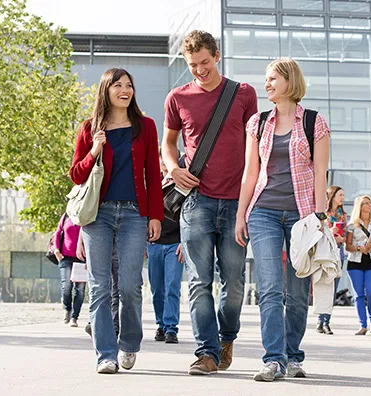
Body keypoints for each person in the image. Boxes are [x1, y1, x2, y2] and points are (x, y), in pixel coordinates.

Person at [162, 30, 258, 375]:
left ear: (216, 55)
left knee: (233, 284)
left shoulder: (243, 94)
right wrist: (174, 169)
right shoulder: (178, 97)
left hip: (236, 202)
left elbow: (254, 148)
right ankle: (206, 352)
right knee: (199, 281)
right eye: (192, 66)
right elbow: (168, 143)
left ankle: (226, 336)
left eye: (204, 62)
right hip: (197, 202)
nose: (199, 70)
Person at [235, 58, 330, 382]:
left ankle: (293, 356)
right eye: (266, 79)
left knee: (298, 290)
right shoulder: (257, 123)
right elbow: (250, 173)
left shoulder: (314, 122)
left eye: (273, 78)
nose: (267, 84)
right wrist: (240, 214)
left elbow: (320, 173)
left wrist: (319, 217)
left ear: (290, 81)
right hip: (263, 212)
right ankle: (273, 358)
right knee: (271, 286)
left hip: (302, 216)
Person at [70, 68, 163, 374]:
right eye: (118, 85)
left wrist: (155, 216)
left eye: (129, 85)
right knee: (99, 287)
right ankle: (105, 354)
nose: (125, 90)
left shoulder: (146, 127)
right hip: (99, 216)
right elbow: (77, 175)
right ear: (106, 91)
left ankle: (130, 343)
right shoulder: (89, 129)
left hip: (135, 215)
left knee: (129, 285)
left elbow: (153, 173)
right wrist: (95, 148)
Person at [147, 157, 185, 344]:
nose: (162, 162)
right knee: (156, 289)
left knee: (172, 286)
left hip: (174, 244)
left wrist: (184, 242)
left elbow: (187, 215)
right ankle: (160, 324)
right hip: (153, 244)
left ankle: (171, 328)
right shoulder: (151, 185)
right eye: (160, 158)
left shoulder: (180, 185)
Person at [345, 195, 371, 335]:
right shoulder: (351, 226)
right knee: (359, 294)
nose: (369, 205)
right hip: (355, 262)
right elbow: (347, 246)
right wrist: (360, 248)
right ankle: (363, 324)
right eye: (366, 203)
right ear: (360, 207)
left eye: (370, 203)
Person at [316, 185, 346, 335]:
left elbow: (346, 234)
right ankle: (320, 321)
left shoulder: (342, 214)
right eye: (340, 195)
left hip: (338, 253)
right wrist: (330, 231)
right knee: (324, 287)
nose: (343, 198)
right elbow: (317, 231)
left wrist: (342, 238)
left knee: (333, 289)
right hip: (325, 252)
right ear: (332, 196)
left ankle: (326, 321)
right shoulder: (323, 214)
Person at [54, 213, 86, 328]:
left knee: (80, 289)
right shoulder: (66, 216)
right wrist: (56, 250)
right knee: (66, 286)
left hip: (82, 258)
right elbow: (57, 233)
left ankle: (74, 317)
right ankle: (67, 308)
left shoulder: (87, 214)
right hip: (65, 257)